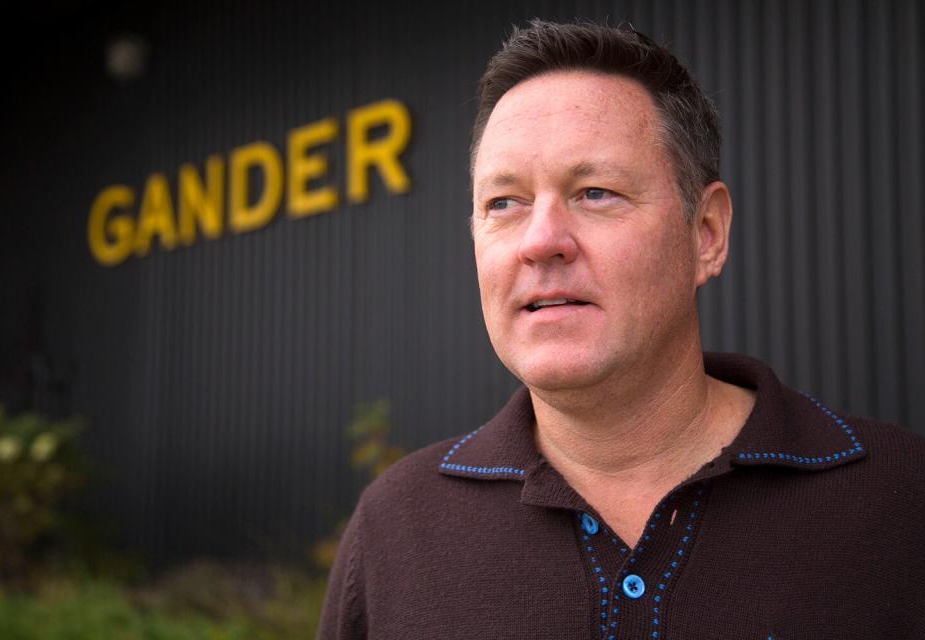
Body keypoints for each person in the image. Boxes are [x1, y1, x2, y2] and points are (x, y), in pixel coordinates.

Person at [318, 20, 925, 639]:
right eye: (504, 202)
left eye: (596, 192)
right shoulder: (396, 526)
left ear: (707, 233)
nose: (541, 241)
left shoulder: (901, 503)